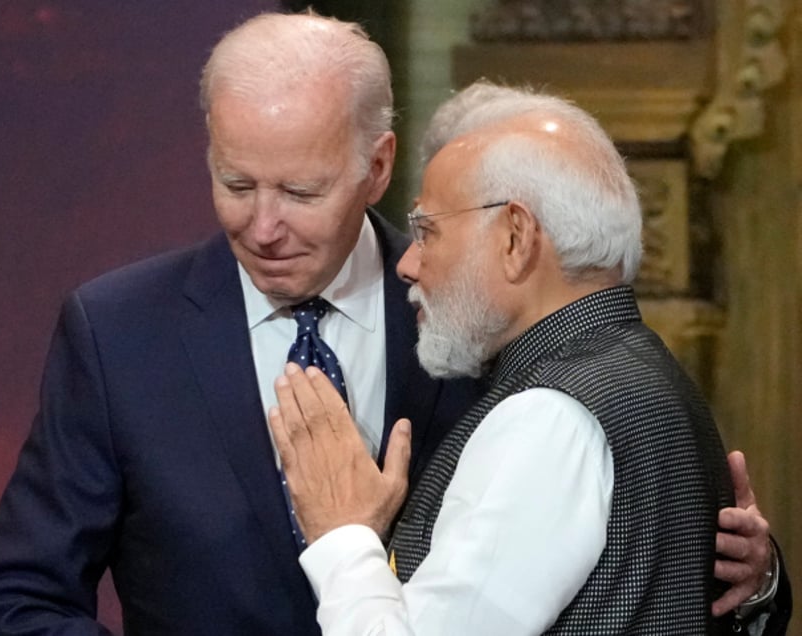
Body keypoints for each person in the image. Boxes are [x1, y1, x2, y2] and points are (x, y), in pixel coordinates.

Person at [0, 12, 782, 636]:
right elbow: (13, 602)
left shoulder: (480, 322)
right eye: (236, 183)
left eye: (303, 191)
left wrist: (752, 581)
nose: (264, 225)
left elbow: (623, 558)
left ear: (377, 166)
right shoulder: (117, 333)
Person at [268, 86, 790, 634]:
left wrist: (343, 535)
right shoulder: (641, 367)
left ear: (516, 237)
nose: (410, 263)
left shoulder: (549, 417)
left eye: (428, 231)